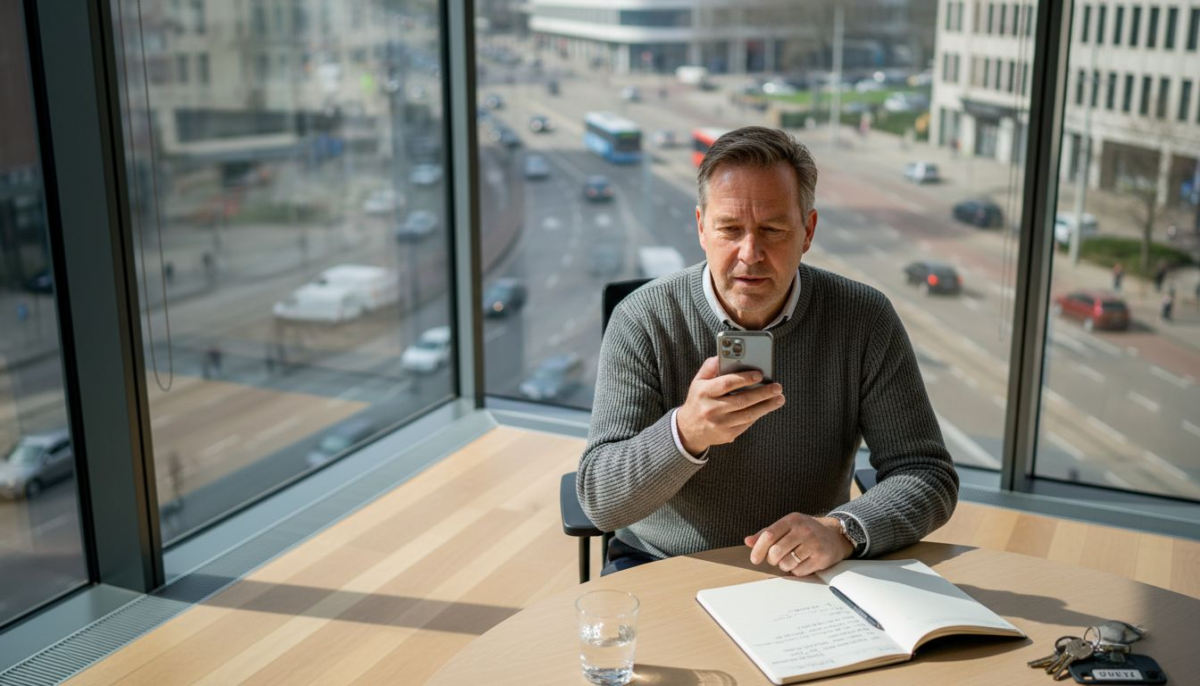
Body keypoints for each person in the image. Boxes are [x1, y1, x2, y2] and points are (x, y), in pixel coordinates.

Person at [578, 126, 959, 578]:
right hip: (663, 563)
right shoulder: (642, 318)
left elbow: (927, 473)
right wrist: (685, 433)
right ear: (701, 228)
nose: (750, 253)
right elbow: (600, 500)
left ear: (807, 231)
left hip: (806, 570)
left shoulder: (864, 318)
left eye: (773, 230)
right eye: (729, 229)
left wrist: (843, 530)